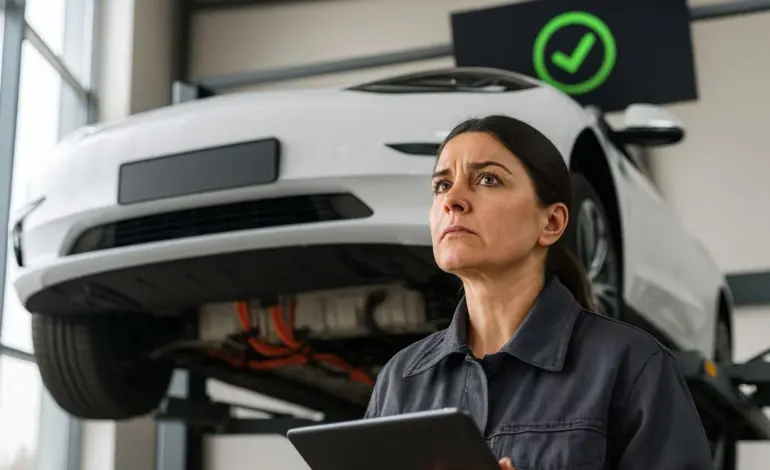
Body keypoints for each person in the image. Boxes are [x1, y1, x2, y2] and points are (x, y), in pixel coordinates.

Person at [363, 115, 714, 469]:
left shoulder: (632, 365)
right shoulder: (402, 379)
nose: (452, 200)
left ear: (551, 223)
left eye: (487, 179)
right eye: (441, 185)